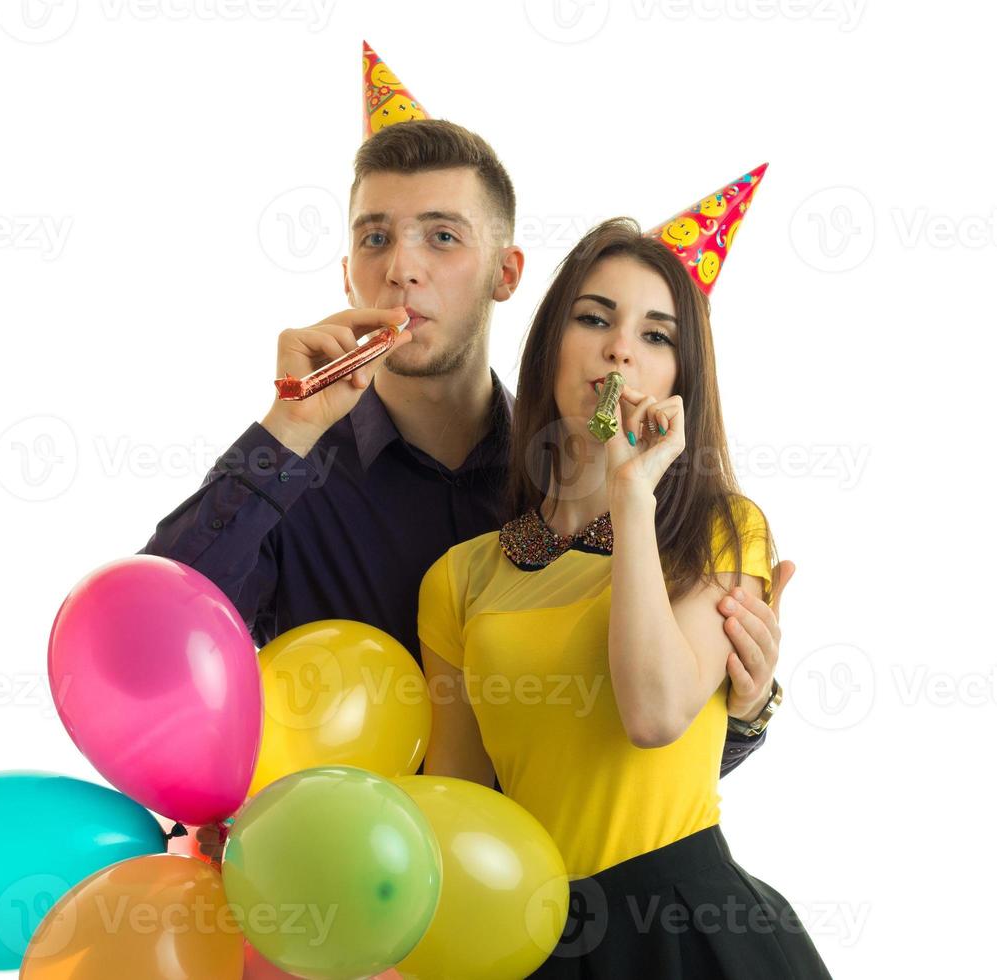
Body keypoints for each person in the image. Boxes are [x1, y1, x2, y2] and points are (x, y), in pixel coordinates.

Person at [142, 50, 789, 778]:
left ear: (506, 274)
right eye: (375, 237)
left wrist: (745, 707)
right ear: (347, 269)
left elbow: (620, 760)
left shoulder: (581, 483)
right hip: (322, 880)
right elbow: (146, 652)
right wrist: (286, 429)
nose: (402, 269)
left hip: (537, 885)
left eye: (442, 237)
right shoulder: (290, 476)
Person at [418, 185, 829, 976]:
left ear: (680, 376)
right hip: (536, 945)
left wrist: (631, 499)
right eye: (594, 318)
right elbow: (459, 817)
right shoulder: (459, 579)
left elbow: (655, 712)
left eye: (654, 334)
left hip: (691, 930)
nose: (619, 352)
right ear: (551, 345)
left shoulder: (721, 529)